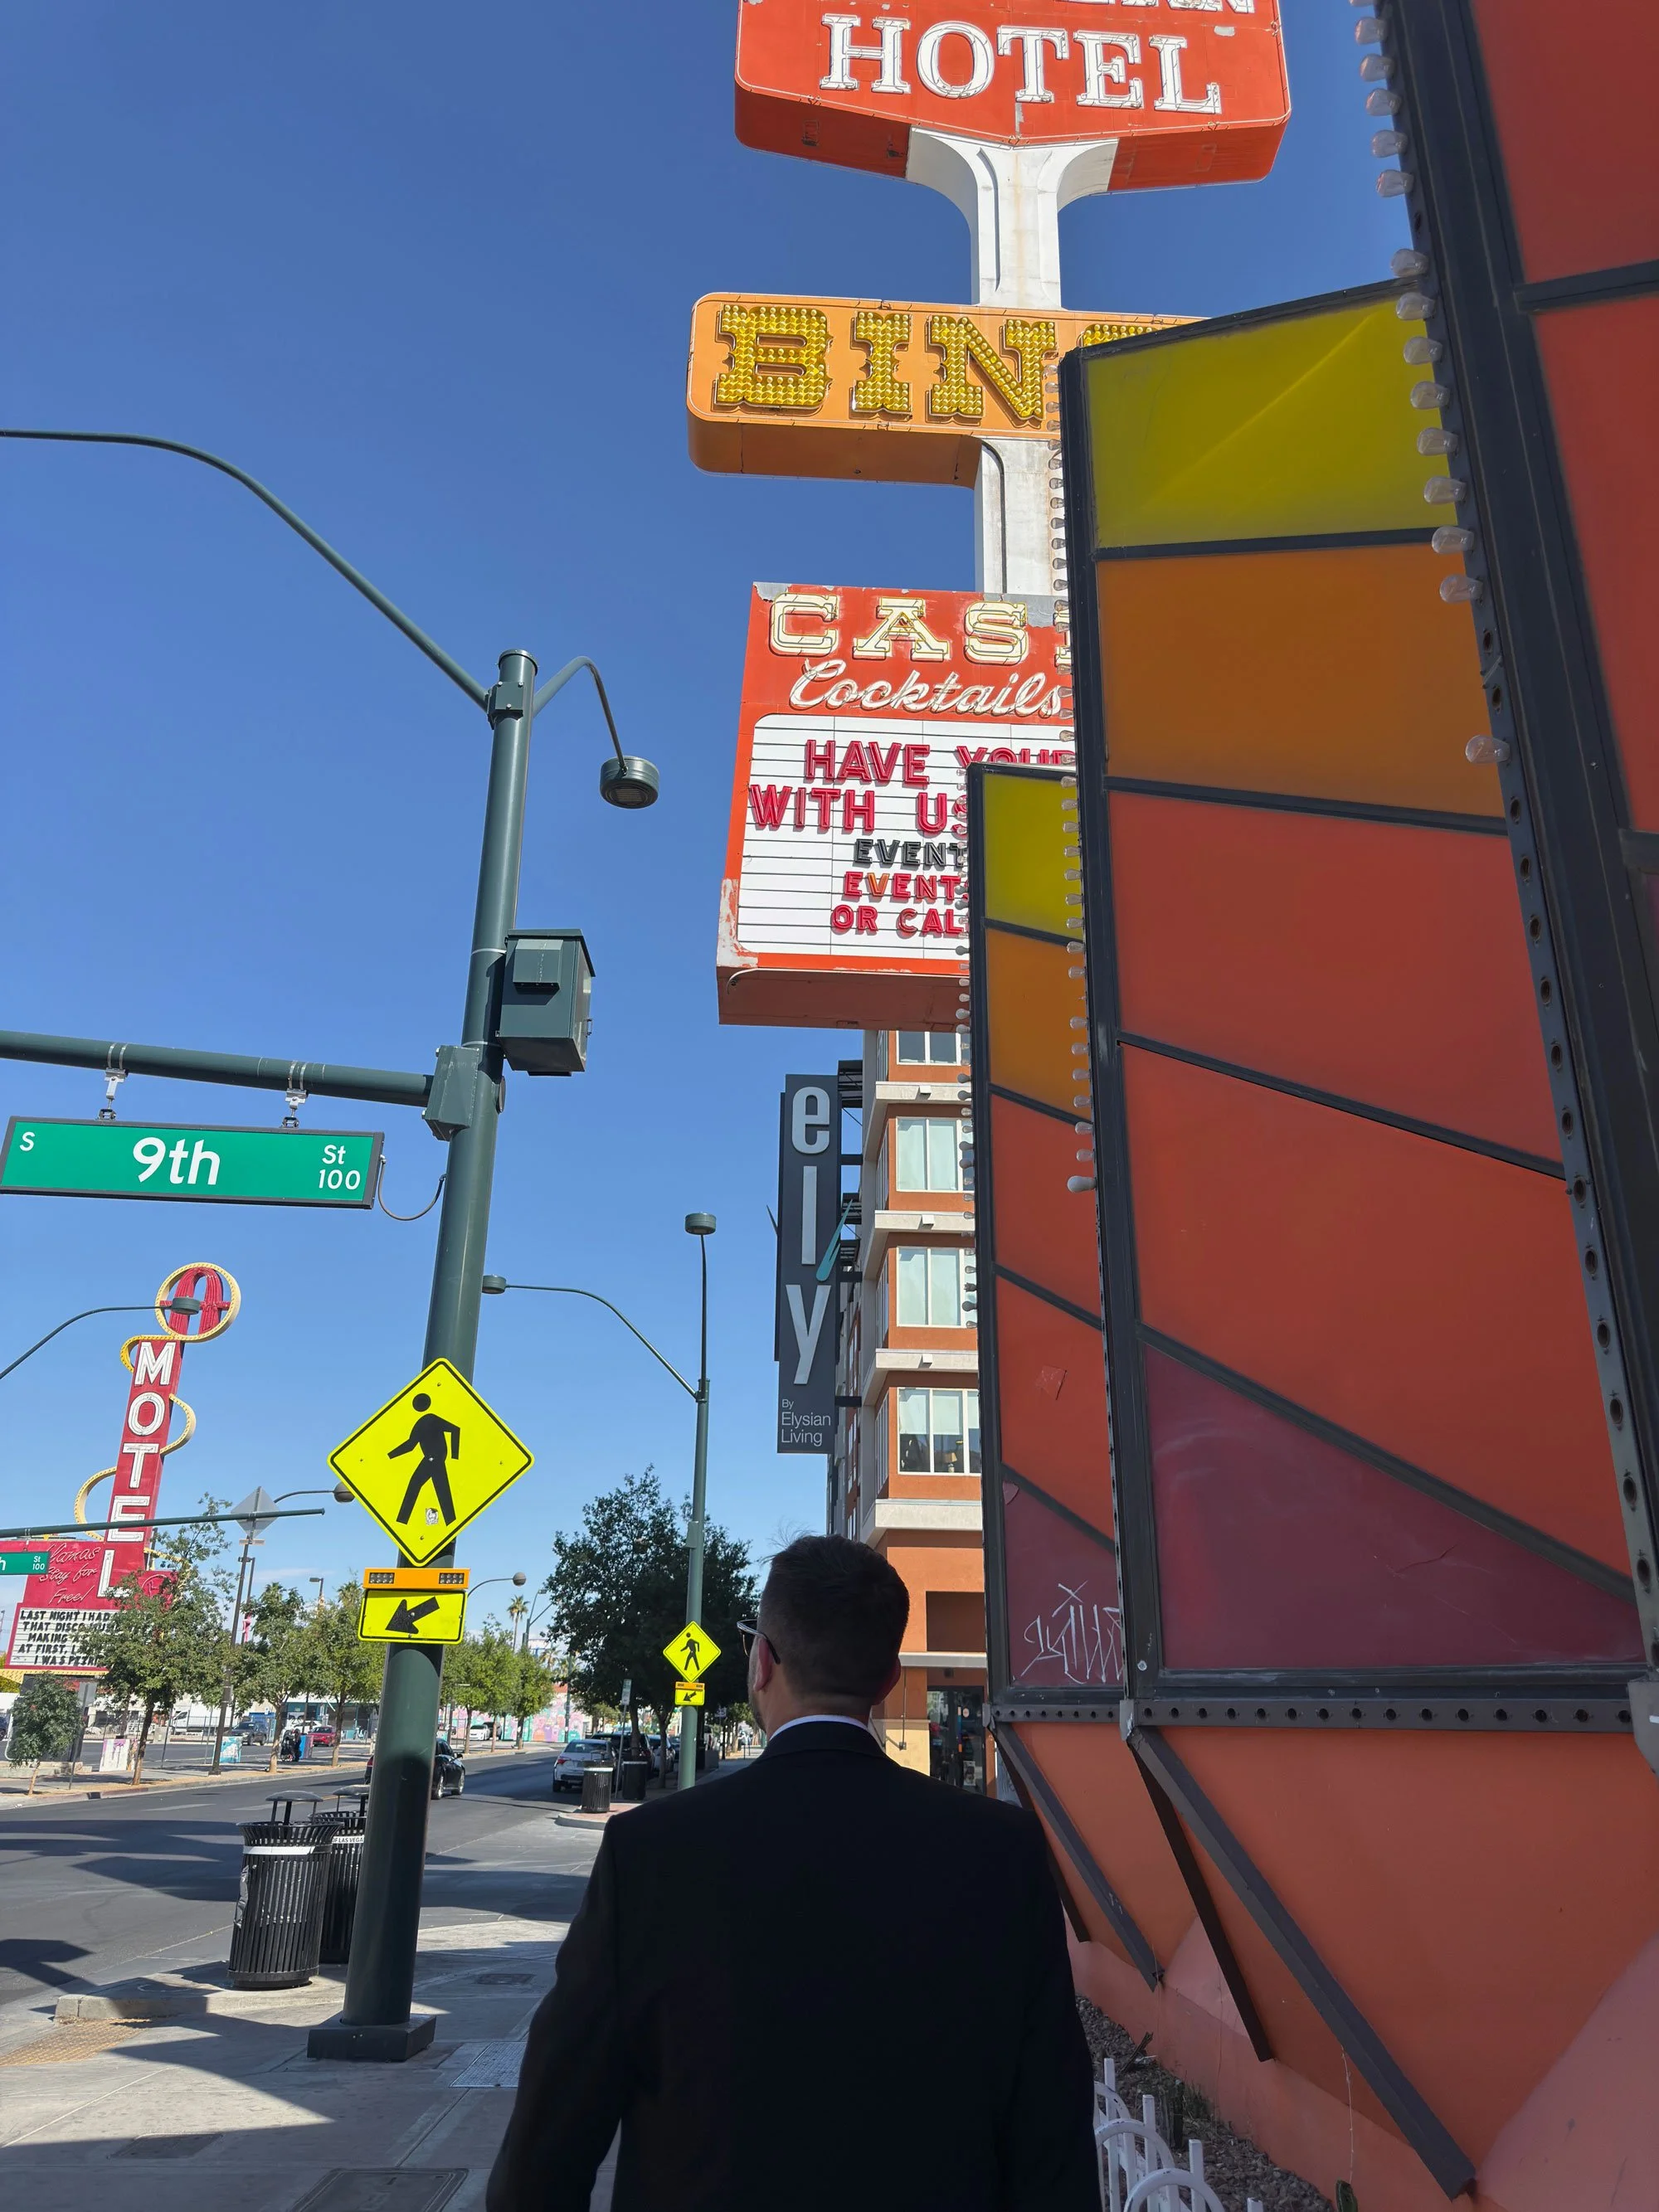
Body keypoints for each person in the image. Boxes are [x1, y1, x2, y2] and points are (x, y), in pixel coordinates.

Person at [488, 1534, 1097, 2212]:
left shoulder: (649, 1852)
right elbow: (1055, 2148)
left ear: (761, 1662)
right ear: (889, 1679)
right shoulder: (1001, 1851)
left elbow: (542, 2156)